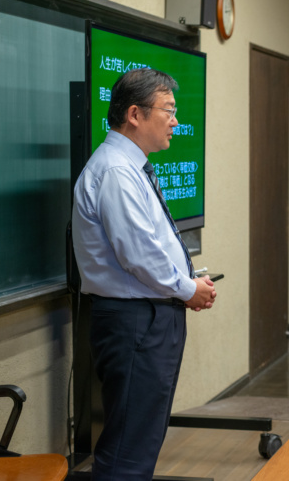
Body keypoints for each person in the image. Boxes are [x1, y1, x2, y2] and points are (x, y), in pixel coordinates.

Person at [72, 68, 217, 480]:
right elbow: (139, 254)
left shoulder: (130, 166)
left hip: (147, 317)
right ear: (134, 114)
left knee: (138, 441)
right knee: (127, 453)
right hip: (135, 322)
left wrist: (187, 286)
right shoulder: (117, 171)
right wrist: (188, 288)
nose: (175, 120)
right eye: (168, 110)